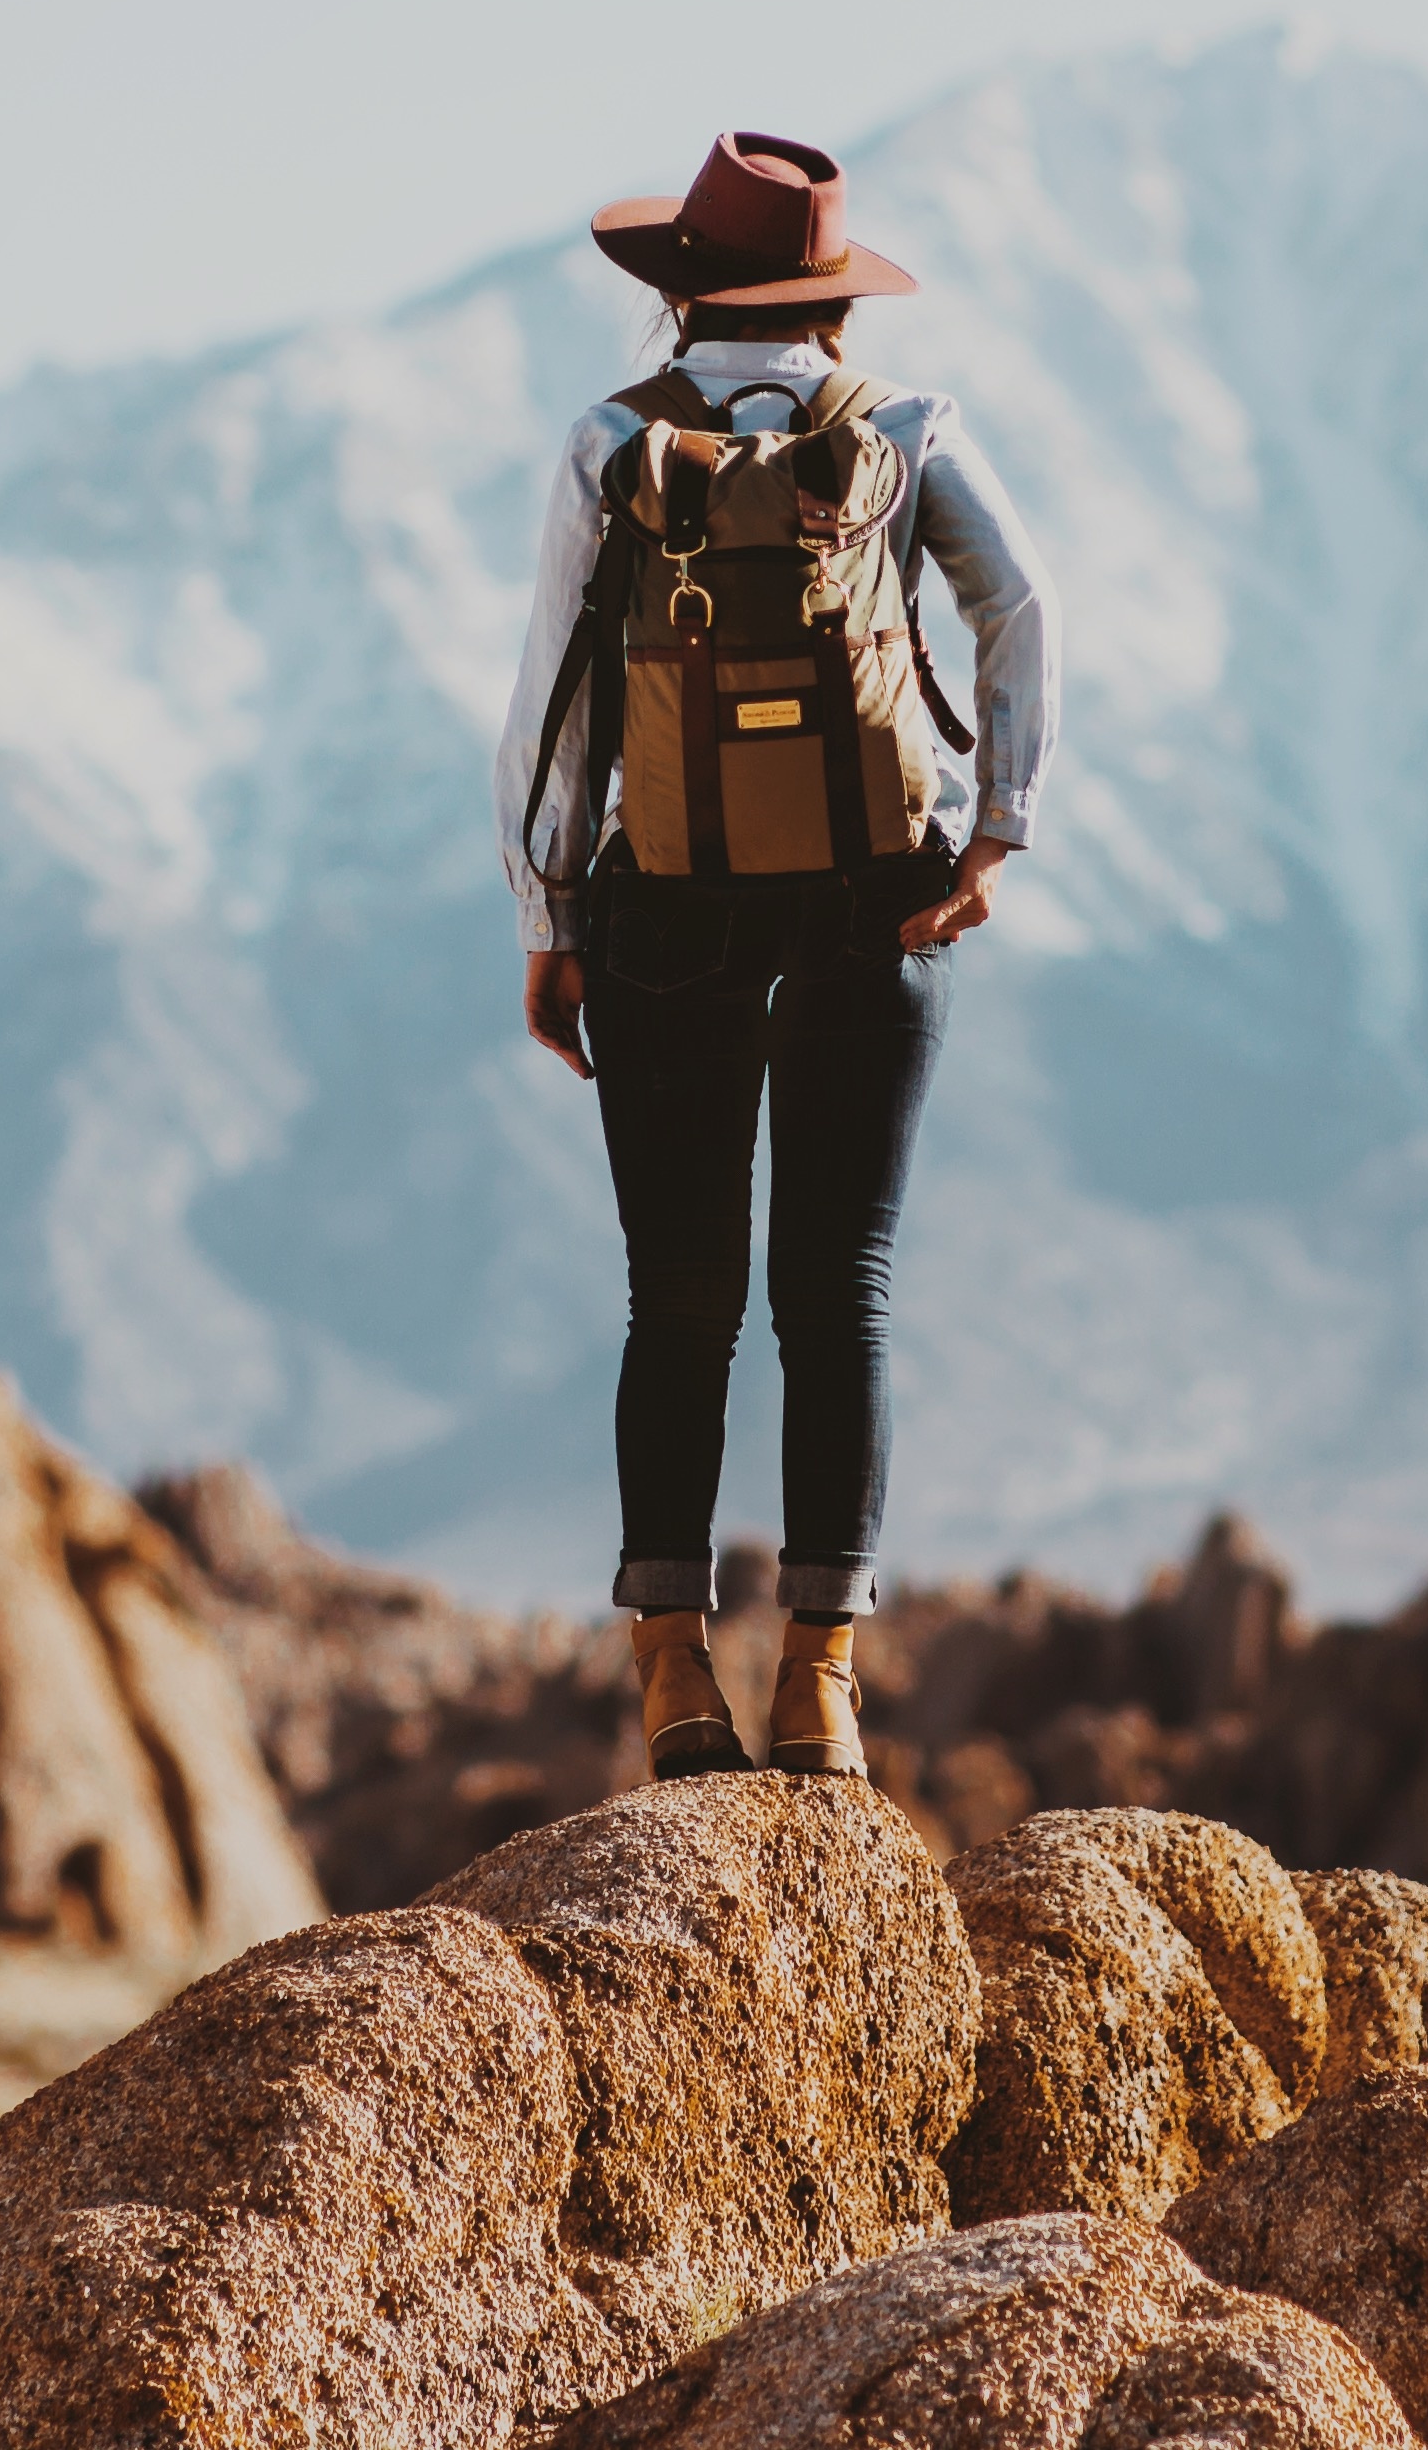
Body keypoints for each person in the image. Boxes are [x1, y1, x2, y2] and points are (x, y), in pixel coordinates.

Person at [496, 128, 1056, 1783]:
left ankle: (674, 1669)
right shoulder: (904, 430)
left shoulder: (614, 445)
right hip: (872, 896)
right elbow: (1021, 606)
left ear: (679, 290)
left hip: (661, 900)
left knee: (677, 1292)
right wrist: (998, 826)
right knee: (840, 1291)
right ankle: (821, 1681)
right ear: (831, 305)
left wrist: (551, 918)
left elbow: (553, 701)